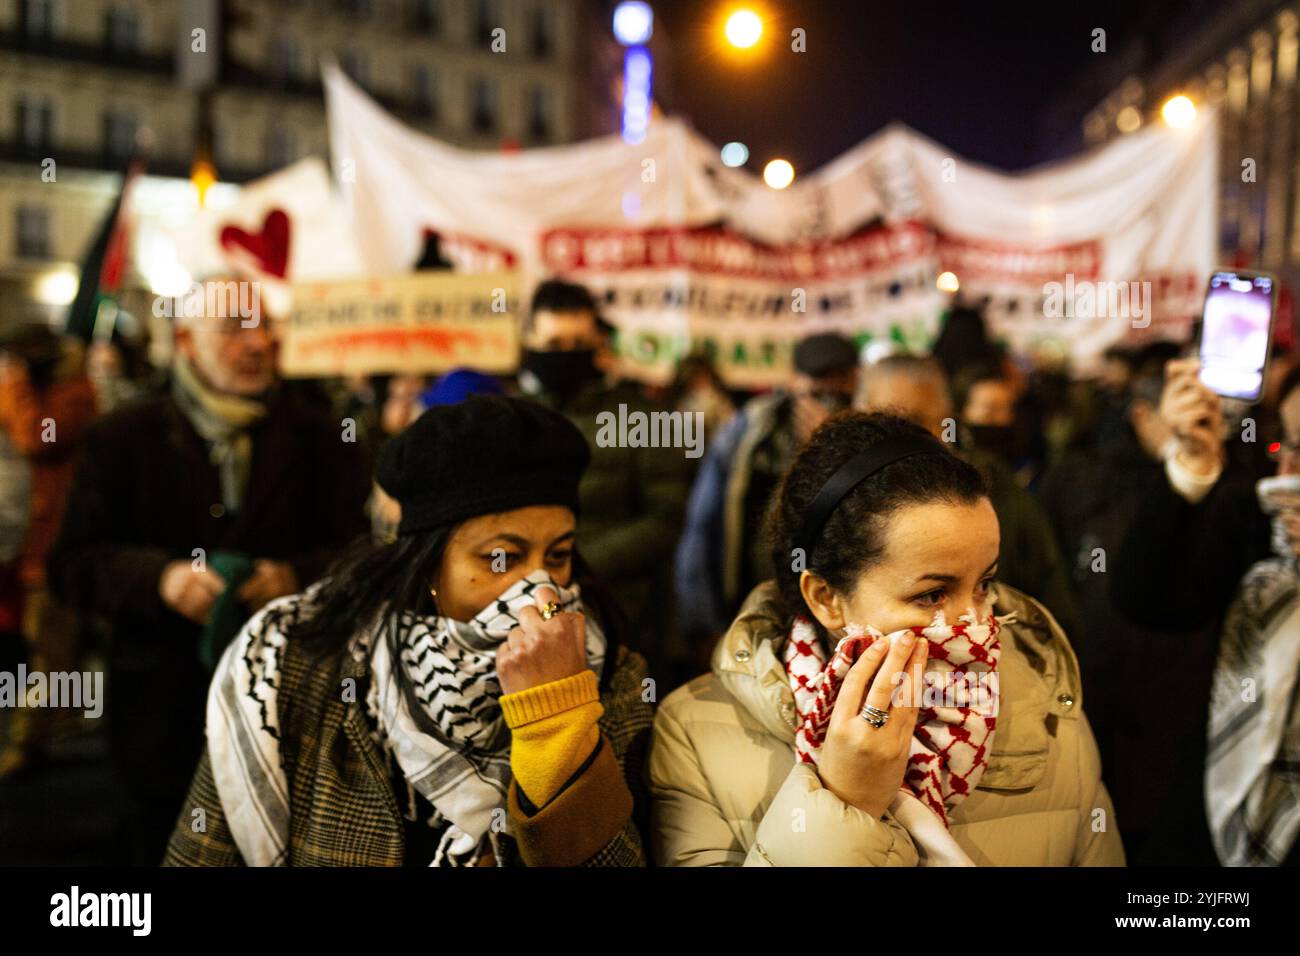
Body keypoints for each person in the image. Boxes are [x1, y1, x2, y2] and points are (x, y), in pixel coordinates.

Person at [163, 395, 653, 866]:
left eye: (558, 556)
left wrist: (557, 721)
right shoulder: (290, 662)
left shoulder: (611, 678)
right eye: (501, 557)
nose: (539, 589)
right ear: (426, 565)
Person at [649, 411, 1122, 866]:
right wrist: (846, 801)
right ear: (826, 598)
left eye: (984, 584)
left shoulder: (1045, 705)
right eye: (933, 594)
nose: (975, 622)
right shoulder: (695, 732)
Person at [47, 278, 370, 863]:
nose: (258, 344)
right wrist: (160, 581)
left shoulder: (323, 436)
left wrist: (293, 576)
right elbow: (73, 564)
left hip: (289, 712)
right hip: (159, 718)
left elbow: (362, 552)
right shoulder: (121, 438)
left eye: (264, 327)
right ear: (186, 341)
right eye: (234, 329)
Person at [1112, 356, 1300, 865]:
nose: (1288, 474)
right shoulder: (1261, 533)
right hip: (1221, 834)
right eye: (1284, 447)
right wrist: (1192, 463)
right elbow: (1146, 598)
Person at [517, 279, 689, 669]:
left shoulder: (645, 416)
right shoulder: (512, 416)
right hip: (524, 609)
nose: (567, 356)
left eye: (578, 344)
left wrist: (574, 564)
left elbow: (666, 519)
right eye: (554, 345)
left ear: (598, 341)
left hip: (621, 613)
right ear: (529, 340)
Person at [856, 354, 1080, 642]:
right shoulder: (834, 501)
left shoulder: (994, 492)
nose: (897, 438)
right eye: (881, 421)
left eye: (915, 422)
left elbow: (1052, 612)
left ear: (944, 421)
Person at [675, 332, 860, 643]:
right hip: (752, 597)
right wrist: (703, 616)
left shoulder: (866, 429)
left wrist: (833, 439)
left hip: (837, 607)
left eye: (838, 380)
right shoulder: (752, 429)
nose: (827, 392)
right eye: (817, 381)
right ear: (794, 380)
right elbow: (704, 521)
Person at [0, 323, 97, 777]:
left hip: (54, 548)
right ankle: (65, 717)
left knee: (47, 647)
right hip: (25, 541)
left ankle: (29, 738)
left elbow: (38, 435)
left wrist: (15, 384)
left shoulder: (74, 392)